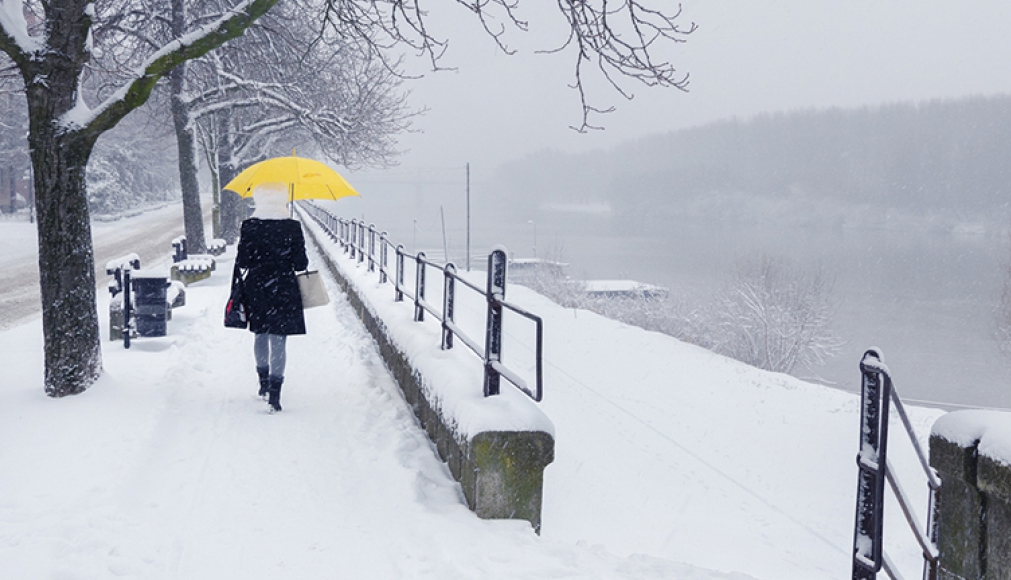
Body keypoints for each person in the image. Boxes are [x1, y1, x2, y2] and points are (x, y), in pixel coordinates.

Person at [233, 182, 308, 413]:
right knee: (279, 338)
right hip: (284, 287)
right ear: (283, 199)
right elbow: (301, 264)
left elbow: (243, 261)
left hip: (257, 286)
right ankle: (275, 394)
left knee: (260, 333)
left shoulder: (250, 226)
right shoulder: (293, 227)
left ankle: (263, 384)